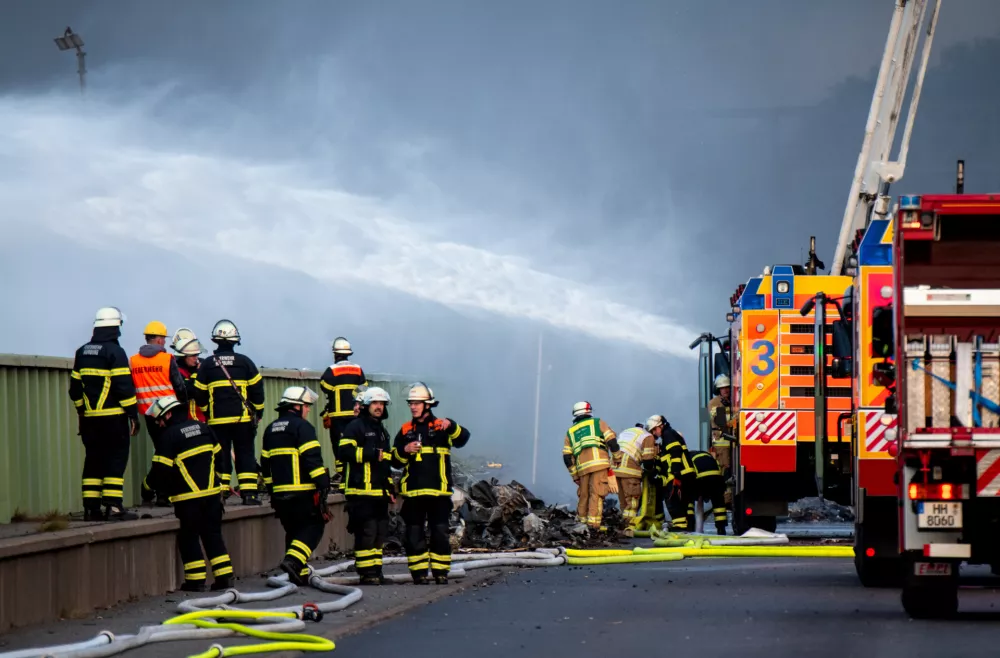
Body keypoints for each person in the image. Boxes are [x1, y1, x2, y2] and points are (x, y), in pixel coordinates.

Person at [144, 395, 233, 592]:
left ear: (168, 414)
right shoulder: (204, 427)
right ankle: (224, 578)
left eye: (159, 419)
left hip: (187, 499)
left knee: (189, 537)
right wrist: (220, 483)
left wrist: (147, 487)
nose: (159, 424)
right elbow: (221, 458)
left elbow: (160, 470)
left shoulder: (169, 436)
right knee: (213, 535)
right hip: (212, 496)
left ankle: (195, 581)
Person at [390, 383, 469, 585]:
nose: (413, 407)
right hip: (413, 494)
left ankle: (441, 573)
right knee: (413, 534)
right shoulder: (406, 430)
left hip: (439, 493)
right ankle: (419, 575)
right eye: (411, 403)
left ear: (428, 405)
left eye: (417, 403)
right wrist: (405, 450)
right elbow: (395, 461)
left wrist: (451, 424)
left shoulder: (442, 428)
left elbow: (463, 438)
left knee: (440, 534)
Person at [69, 307, 140, 521]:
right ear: (115, 328)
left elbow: (74, 389)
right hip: (114, 418)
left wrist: (83, 411)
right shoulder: (115, 352)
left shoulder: (82, 352)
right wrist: (133, 415)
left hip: (91, 420)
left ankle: (91, 509)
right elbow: (123, 388)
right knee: (115, 460)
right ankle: (114, 508)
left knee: (93, 460)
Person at [261, 385, 331, 586]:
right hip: (302, 492)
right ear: (296, 406)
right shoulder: (303, 427)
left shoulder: (270, 429)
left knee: (293, 531)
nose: (308, 410)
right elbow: (312, 459)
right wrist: (323, 484)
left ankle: (296, 572)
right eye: (307, 406)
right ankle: (293, 561)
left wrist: (271, 489)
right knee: (314, 526)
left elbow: (265, 464)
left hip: (280, 495)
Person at [193, 319, 265, 504]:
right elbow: (257, 391)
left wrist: (208, 411)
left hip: (217, 422)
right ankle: (249, 494)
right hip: (242, 420)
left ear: (215, 340)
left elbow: (198, 393)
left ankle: (221, 493)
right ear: (235, 341)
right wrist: (258, 412)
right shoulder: (245, 363)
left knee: (221, 455)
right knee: (245, 454)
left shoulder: (207, 365)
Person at [339, 386, 394, 585]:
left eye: (381, 404)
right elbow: (344, 452)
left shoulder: (382, 431)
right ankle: (365, 573)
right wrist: (370, 453)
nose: (378, 407)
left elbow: (385, 463)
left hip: (379, 492)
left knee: (380, 533)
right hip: (360, 490)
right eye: (375, 404)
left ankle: (376, 571)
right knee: (367, 532)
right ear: (366, 405)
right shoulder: (355, 426)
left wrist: (390, 488)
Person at [132, 320, 188, 508]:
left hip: (149, 415)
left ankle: (155, 491)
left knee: (161, 452)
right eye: (163, 338)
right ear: (156, 340)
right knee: (171, 453)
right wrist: (183, 405)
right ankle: (162, 493)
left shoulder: (133, 361)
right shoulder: (167, 359)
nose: (164, 342)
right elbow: (179, 386)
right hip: (170, 414)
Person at [320, 337, 368, 494]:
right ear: (348, 354)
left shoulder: (332, 370)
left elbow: (325, 387)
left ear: (335, 354)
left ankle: (342, 476)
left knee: (339, 445)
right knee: (356, 444)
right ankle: (355, 474)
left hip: (338, 415)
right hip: (356, 414)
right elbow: (364, 388)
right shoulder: (358, 369)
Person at [563, 401, 619, 532]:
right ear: (589, 411)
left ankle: (581, 524)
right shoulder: (598, 423)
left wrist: (575, 475)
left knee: (584, 495)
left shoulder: (570, 432)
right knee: (597, 494)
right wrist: (617, 457)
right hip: (599, 464)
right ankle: (593, 526)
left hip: (582, 469)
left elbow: (567, 457)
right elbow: (611, 441)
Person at [646, 414, 696, 532]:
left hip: (681, 473)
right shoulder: (667, 436)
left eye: (655, 429)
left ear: (661, 426)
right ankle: (684, 526)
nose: (654, 433)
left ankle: (680, 526)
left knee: (672, 499)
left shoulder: (668, 434)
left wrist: (675, 472)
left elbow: (675, 453)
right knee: (680, 500)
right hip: (684, 473)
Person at [611, 424, 655, 534]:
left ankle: (623, 524)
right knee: (632, 500)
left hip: (614, 468)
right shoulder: (647, 436)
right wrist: (651, 471)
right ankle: (630, 526)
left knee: (623, 501)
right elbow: (648, 460)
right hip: (630, 470)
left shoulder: (627, 432)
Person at [171, 331, 206, 422]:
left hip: (204, 421)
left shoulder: (203, 365)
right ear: (183, 356)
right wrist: (198, 373)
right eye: (193, 355)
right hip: (185, 422)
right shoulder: (176, 371)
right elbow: (188, 391)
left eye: (197, 354)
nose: (196, 358)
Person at [690, 450, 728, 535]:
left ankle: (694, 528)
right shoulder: (707, 456)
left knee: (696, 502)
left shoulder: (688, 457)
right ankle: (721, 529)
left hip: (701, 479)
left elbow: (689, 474)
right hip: (717, 479)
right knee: (719, 505)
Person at [708, 374, 734, 488]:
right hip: (721, 441)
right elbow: (720, 421)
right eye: (722, 388)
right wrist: (737, 419)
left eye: (727, 387)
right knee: (725, 467)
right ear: (718, 389)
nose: (726, 390)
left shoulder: (732, 401)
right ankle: (725, 499)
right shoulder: (714, 403)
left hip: (733, 439)